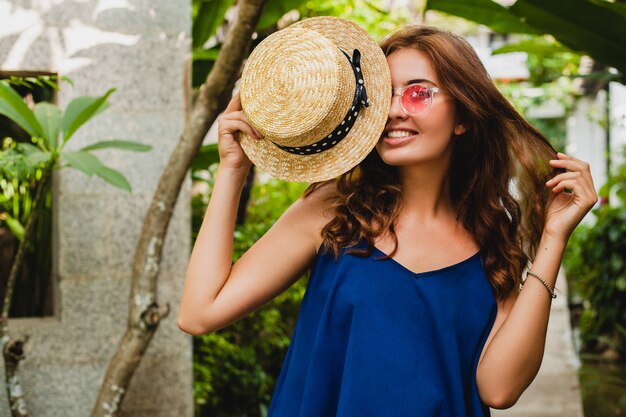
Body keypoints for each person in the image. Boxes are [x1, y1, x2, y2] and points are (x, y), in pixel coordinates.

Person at [178, 20, 598, 416]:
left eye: (418, 93)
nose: (394, 111)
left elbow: (499, 390)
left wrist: (553, 236)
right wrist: (232, 171)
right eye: (384, 95)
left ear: (465, 117)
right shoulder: (334, 210)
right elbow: (200, 313)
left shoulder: (492, 241)